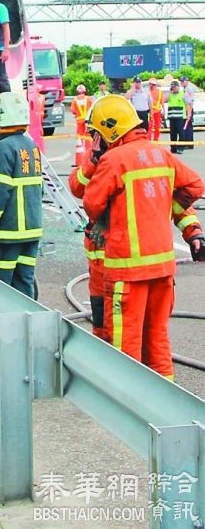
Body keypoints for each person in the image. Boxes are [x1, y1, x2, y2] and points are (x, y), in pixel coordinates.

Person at [82, 95, 205, 379]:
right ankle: (164, 406)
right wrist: (169, 210)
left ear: (109, 129)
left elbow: (91, 204)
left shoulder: (113, 159)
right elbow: (194, 186)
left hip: (127, 272)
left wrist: (95, 162)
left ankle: (130, 409)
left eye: (97, 133)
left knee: (126, 347)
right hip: (162, 270)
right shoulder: (160, 153)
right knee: (157, 340)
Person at [0, 92, 43, 298]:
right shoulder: (31, 147)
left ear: (3, 119)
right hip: (31, 231)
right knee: (24, 284)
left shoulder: (2, 148)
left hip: (7, 233)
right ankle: (26, 328)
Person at [70, 83, 93, 166]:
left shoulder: (75, 100)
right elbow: (92, 108)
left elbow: (72, 110)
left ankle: (79, 161)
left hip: (79, 122)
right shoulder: (89, 99)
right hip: (87, 122)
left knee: (79, 141)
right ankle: (89, 158)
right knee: (88, 140)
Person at [166, 79, 188, 153]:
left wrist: (188, 113)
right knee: (173, 134)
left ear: (178, 87)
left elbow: (187, 103)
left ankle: (181, 148)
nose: (174, 88)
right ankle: (173, 148)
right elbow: (165, 100)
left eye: (175, 86)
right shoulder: (170, 94)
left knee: (181, 133)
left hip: (180, 117)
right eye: (172, 87)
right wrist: (170, 91)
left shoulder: (182, 93)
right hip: (172, 117)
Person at [180, 75, 198, 151]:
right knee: (187, 127)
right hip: (186, 110)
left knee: (188, 127)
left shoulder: (188, 89)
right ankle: (188, 143)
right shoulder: (185, 89)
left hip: (188, 110)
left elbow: (190, 102)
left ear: (186, 81)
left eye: (182, 81)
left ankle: (189, 144)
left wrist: (189, 113)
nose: (181, 83)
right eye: (181, 81)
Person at [147, 78, 164, 142]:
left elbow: (162, 102)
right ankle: (148, 140)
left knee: (157, 126)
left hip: (157, 111)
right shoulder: (147, 92)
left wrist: (163, 110)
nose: (152, 86)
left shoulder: (160, 92)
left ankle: (156, 139)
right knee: (150, 126)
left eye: (153, 84)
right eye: (151, 84)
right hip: (149, 112)